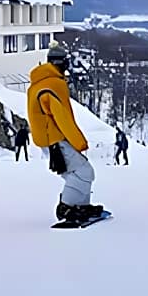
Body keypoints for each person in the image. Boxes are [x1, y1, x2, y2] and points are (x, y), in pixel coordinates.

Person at [27, 43, 103, 223]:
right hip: (54, 139)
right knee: (83, 171)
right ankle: (68, 208)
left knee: (75, 172)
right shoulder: (53, 84)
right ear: (61, 62)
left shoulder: (39, 83)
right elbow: (62, 117)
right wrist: (79, 142)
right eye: (66, 62)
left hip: (47, 139)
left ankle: (80, 206)